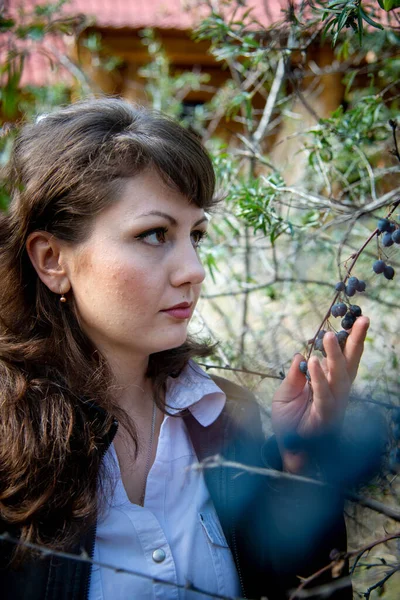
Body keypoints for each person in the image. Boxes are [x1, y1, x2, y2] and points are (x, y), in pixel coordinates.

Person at [0, 97, 369, 600]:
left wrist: (297, 473)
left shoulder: (222, 416)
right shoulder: (10, 444)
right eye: (154, 234)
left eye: (195, 235)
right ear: (51, 259)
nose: (193, 269)